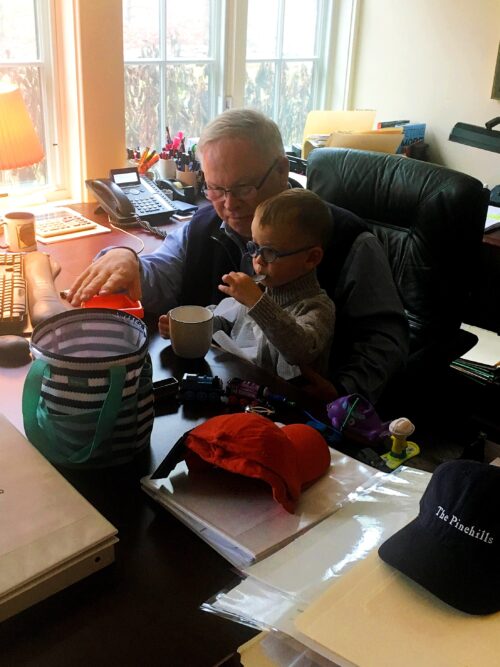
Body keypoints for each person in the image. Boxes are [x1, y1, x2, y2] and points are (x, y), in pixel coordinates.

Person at [67, 108, 408, 403]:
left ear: (280, 169)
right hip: (216, 393)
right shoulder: (203, 225)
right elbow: (162, 277)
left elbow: (386, 340)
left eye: (243, 188)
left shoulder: (348, 239)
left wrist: (343, 394)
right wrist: (128, 259)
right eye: (215, 188)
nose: (229, 204)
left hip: (301, 410)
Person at [159, 189, 335, 380]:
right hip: (240, 386)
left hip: (286, 404)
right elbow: (223, 322)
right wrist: (187, 329)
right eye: (254, 248)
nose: (258, 260)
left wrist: (257, 302)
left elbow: (300, 351)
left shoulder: (317, 307)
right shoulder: (260, 290)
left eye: (270, 253)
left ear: (311, 258)